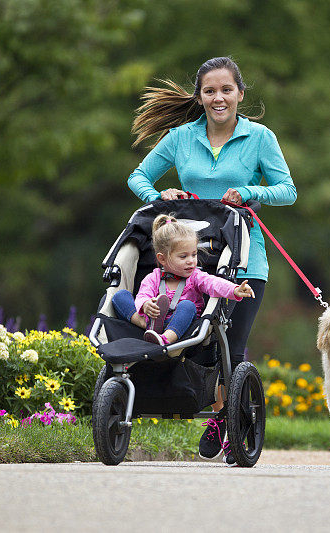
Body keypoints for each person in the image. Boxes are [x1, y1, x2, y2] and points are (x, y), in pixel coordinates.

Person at [127, 56, 296, 463]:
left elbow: (287, 189)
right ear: (200, 96)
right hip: (190, 260)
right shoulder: (181, 138)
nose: (218, 98)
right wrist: (159, 196)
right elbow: (138, 177)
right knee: (199, 344)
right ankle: (213, 406)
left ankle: (224, 419)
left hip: (244, 261)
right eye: (209, 91)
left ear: (240, 93)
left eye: (226, 90)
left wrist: (250, 192)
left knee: (231, 348)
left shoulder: (260, 138)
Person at [111, 214, 255, 346]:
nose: (191, 261)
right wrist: (146, 305)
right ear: (162, 258)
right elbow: (143, 294)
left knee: (188, 305)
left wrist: (235, 289)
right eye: (183, 256)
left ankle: (166, 338)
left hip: (181, 323)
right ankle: (144, 323)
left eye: (194, 254)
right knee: (119, 296)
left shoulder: (196, 276)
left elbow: (214, 283)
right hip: (152, 318)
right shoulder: (153, 278)